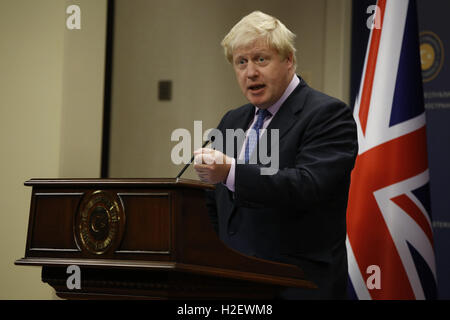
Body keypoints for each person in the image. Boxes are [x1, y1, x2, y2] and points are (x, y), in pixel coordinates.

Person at [193, 11, 358, 299]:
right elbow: (213, 199)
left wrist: (232, 172)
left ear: (289, 60)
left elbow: (307, 186)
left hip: (297, 285)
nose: (251, 72)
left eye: (261, 59)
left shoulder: (328, 115)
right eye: (241, 62)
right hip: (234, 281)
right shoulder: (233, 120)